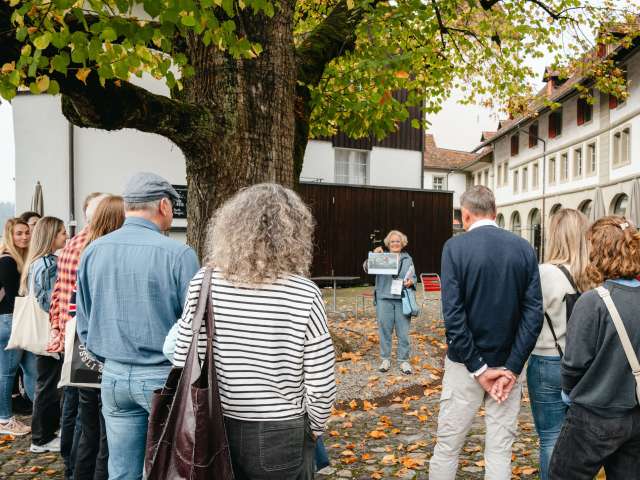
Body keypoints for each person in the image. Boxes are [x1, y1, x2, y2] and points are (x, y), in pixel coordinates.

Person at [165, 183, 336, 480]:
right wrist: (314, 428)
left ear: (230, 227)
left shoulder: (204, 282)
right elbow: (321, 381)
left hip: (214, 421)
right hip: (281, 430)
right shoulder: (304, 293)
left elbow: (183, 358)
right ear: (295, 234)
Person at [76, 173, 199, 480]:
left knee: (121, 470)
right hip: (163, 375)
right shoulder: (178, 254)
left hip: (113, 375)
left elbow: (85, 322)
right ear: (164, 206)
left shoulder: (93, 250)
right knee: (169, 469)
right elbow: (195, 324)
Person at [429, 186, 543, 480]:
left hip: (463, 365)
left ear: (465, 215)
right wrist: (513, 367)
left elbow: (453, 315)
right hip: (507, 365)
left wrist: (478, 367)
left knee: (448, 447)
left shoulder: (455, 248)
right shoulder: (524, 248)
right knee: (500, 450)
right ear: (496, 212)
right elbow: (533, 315)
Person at [549, 216, 640, 479]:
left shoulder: (593, 302)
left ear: (599, 253)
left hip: (593, 416)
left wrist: (568, 393)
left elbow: (574, 364)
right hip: (634, 416)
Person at [527, 209, 591, 480]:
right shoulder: (594, 274)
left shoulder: (544, 273)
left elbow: (529, 320)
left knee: (550, 436)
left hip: (548, 359)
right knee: (582, 438)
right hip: (588, 365)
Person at [47, 192, 106, 479]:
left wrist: (57, 327)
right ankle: (78, 468)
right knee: (87, 414)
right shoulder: (94, 247)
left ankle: (70, 464)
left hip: (72, 333)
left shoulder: (72, 243)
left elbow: (59, 290)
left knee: (74, 406)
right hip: (86, 337)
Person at [72, 195, 125, 480]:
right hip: (107, 355)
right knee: (107, 436)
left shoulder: (87, 252)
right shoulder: (112, 256)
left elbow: (78, 306)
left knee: (88, 428)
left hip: (86, 352)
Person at [21, 216, 68, 453]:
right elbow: (50, 303)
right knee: (49, 385)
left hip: (43, 333)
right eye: (62, 232)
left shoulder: (37, 262)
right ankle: (41, 438)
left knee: (46, 383)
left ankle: (45, 433)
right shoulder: (49, 264)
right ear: (51, 235)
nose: (66, 236)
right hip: (49, 333)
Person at [0, 218, 37, 435]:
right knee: (7, 373)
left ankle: (43, 415)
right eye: (19, 233)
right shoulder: (7, 260)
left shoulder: (19, 259)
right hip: (9, 321)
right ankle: (4, 419)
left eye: (26, 232)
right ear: (10, 236)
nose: (24, 237)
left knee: (33, 370)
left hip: (17, 321)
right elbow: (16, 297)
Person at [364, 230, 416, 374]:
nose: (395, 243)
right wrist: (373, 256)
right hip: (384, 298)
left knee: (403, 333)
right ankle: (385, 359)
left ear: (402, 243)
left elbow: (414, 277)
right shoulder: (382, 257)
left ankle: (403, 361)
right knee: (385, 331)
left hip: (402, 299)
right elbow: (367, 268)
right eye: (392, 241)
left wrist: (411, 282)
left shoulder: (408, 258)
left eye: (398, 241)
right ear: (388, 243)